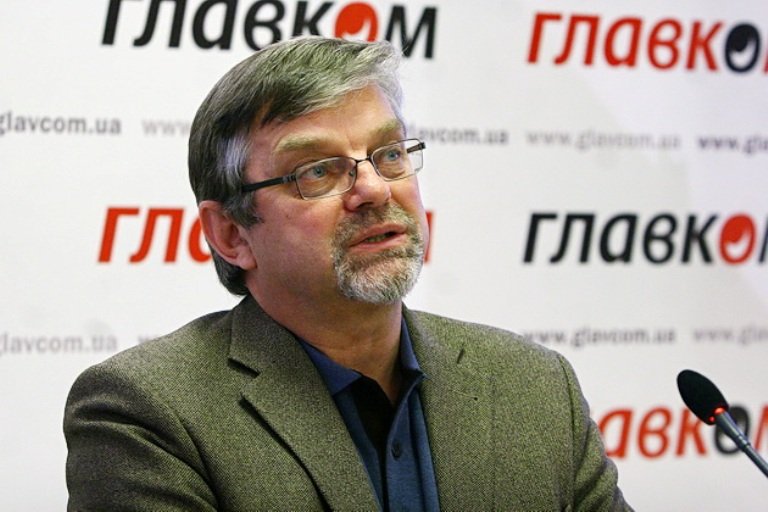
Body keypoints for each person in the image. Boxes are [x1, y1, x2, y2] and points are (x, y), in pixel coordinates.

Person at [64, 37, 632, 511]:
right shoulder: (147, 413)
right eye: (317, 171)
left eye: (390, 154)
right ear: (232, 233)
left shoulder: (533, 385)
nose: (375, 189)